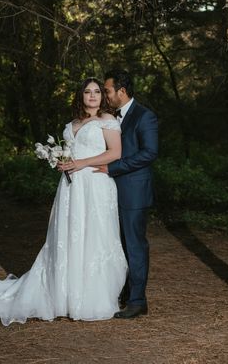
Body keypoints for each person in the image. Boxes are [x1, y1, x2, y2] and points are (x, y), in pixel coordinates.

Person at [0, 78, 127, 325]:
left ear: (102, 96)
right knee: (67, 236)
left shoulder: (107, 121)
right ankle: (63, 295)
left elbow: (115, 153)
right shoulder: (72, 124)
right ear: (80, 96)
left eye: (97, 92)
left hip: (95, 184)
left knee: (94, 236)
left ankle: (91, 297)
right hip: (71, 188)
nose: (92, 96)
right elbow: (70, 152)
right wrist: (61, 162)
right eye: (87, 91)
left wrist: (80, 163)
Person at [95, 69, 158, 319]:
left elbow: (149, 153)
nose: (105, 95)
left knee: (134, 246)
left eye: (107, 91)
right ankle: (124, 293)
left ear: (122, 91)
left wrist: (113, 168)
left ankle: (138, 300)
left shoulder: (145, 116)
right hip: (110, 193)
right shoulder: (109, 117)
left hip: (134, 193)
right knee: (117, 245)